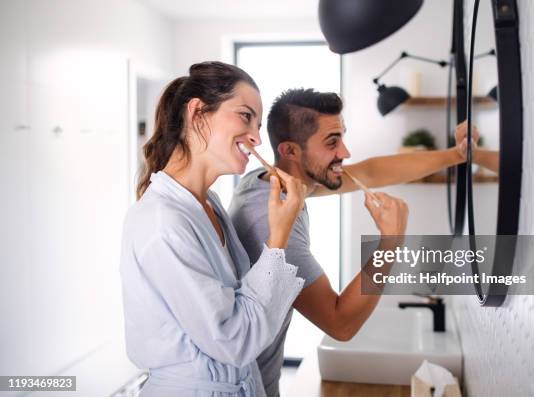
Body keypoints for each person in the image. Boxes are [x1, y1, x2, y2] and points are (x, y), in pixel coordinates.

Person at [228, 88, 467, 397]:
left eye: (341, 138)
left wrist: (457, 155)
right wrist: (390, 243)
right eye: (332, 142)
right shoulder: (267, 220)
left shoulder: (273, 180)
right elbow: (340, 323)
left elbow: (370, 171)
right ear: (290, 151)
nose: (345, 152)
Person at [119, 62, 309, 397]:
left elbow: (240, 309)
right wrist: (278, 238)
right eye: (245, 115)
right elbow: (234, 340)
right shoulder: (163, 220)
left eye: (259, 123)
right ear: (197, 113)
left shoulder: (210, 205)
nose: (256, 137)